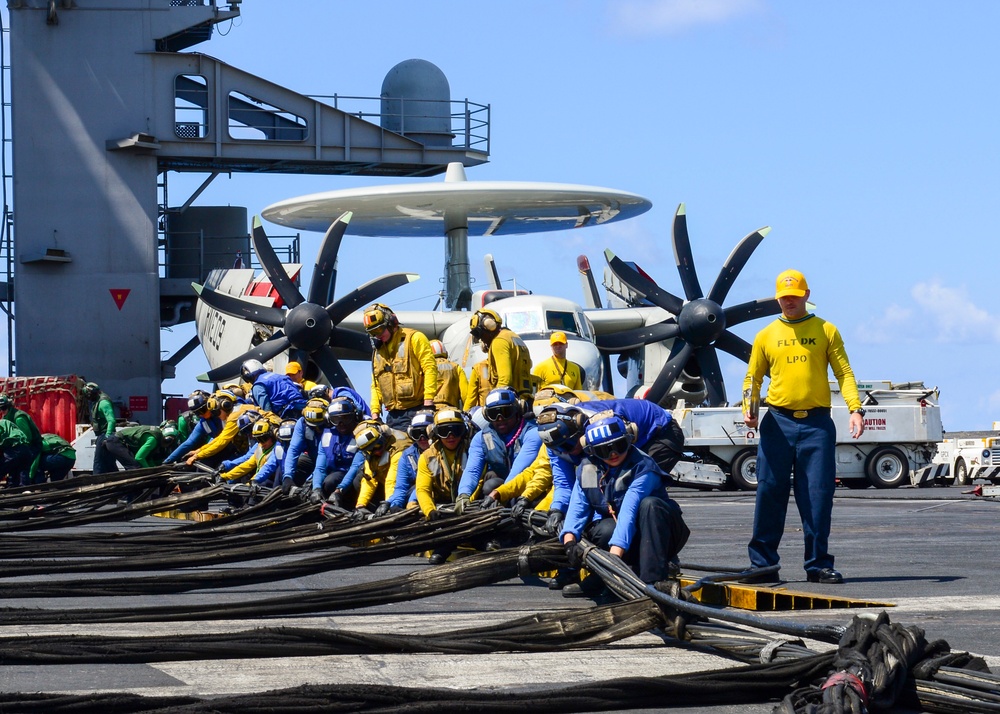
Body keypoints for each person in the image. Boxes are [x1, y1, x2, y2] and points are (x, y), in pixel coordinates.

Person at [741, 269, 866, 586]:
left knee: (818, 496)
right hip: (778, 424)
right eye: (784, 297)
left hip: (817, 426)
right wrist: (749, 408)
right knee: (769, 492)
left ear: (806, 295)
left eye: (795, 296)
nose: (789, 302)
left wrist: (855, 409)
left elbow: (845, 374)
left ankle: (818, 565)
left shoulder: (826, 330)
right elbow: (753, 378)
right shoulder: (766, 335)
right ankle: (763, 563)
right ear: (777, 298)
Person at [560, 413, 690, 596]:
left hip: (659, 535)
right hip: (623, 536)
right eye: (605, 450)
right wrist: (569, 541)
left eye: (618, 446)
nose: (613, 454)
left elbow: (630, 508)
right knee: (604, 529)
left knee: (650, 504)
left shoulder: (643, 466)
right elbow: (577, 507)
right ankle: (600, 579)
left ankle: (652, 582)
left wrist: (612, 564)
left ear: (629, 440)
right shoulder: (587, 469)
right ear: (593, 451)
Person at [455, 387, 541, 513]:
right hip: (502, 484)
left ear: (518, 410)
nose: (500, 418)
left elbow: (519, 469)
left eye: (506, 412)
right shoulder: (481, 438)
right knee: (489, 484)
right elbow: (472, 470)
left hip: (529, 485)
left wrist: (500, 494)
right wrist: (463, 494)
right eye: (494, 414)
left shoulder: (532, 433)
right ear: (486, 415)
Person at [363, 303, 438, 431]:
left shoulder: (414, 338)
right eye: (373, 332)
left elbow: (430, 368)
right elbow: (376, 384)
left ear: (391, 322)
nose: (378, 335)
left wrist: (428, 402)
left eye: (379, 330)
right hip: (392, 416)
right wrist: (375, 412)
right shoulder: (378, 352)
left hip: (417, 410)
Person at [416, 408, 472, 564]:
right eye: (444, 431)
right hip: (443, 508)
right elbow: (422, 489)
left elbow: (478, 479)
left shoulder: (471, 449)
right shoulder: (428, 457)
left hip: (470, 504)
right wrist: (430, 511)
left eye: (456, 430)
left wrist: (465, 502)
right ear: (435, 433)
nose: (451, 436)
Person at [339, 418, 405, 517]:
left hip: (406, 486)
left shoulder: (398, 448)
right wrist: (360, 506)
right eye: (370, 449)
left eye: (377, 446)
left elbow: (392, 480)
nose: (376, 452)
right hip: (386, 484)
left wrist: (388, 503)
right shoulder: (370, 454)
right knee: (359, 480)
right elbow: (369, 479)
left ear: (383, 437)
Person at [184, 388, 263, 468]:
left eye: (216, 412)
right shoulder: (235, 412)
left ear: (225, 405)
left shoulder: (234, 416)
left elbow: (222, 442)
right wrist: (199, 451)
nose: (216, 415)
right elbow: (220, 438)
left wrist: (197, 456)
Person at [469, 308, 535, 401]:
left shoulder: (499, 342)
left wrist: (495, 400)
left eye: (479, 333)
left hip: (511, 402)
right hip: (526, 399)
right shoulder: (514, 337)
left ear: (489, 326)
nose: (480, 339)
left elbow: (505, 380)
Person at [310, 397, 366, 505]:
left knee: (332, 481)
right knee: (323, 483)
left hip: (352, 476)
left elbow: (355, 467)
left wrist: (339, 490)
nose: (341, 424)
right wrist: (316, 488)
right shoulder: (327, 435)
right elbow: (320, 467)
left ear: (355, 416)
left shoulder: (361, 434)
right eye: (336, 420)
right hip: (335, 472)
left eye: (345, 418)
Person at [380, 410, 436, 515]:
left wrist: (412, 500)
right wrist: (394, 504)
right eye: (417, 434)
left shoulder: (437, 452)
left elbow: (433, 481)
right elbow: (401, 487)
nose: (422, 438)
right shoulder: (407, 455)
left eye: (425, 433)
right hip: (416, 495)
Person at [281, 397, 329, 496]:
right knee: (299, 464)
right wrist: (287, 476)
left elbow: (323, 458)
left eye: (318, 425)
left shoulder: (331, 426)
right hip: (312, 458)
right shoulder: (302, 423)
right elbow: (294, 449)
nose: (316, 428)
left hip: (329, 461)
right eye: (312, 426)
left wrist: (311, 479)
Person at [163, 391, 225, 464]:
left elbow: (222, 438)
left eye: (203, 410)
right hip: (219, 447)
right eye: (197, 413)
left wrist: (198, 453)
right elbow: (189, 443)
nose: (201, 415)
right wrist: (168, 461)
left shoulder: (224, 414)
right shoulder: (203, 423)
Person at [241, 359, 307, 419]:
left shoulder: (258, 385)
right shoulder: (278, 375)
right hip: (303, 406)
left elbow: (267, 410)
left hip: (287, 413)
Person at [0, 395, 43, 486]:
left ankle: (24, 486)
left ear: (9, 406)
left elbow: (27, 438)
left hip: (30, 445)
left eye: (3, 408)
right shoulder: (6, 418)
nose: (2, 411)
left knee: (20, 465)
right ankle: (14, 486)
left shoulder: (19, 418)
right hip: (18, 446)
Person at [105, 424, 177, 470]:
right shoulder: (153, 440)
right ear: (168, 441)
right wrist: (150, 472)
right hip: (116, 442)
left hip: (115, 441)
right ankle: (133, 493)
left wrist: (155, 469)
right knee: (135, 467)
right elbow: (139, 458)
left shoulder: (156, 437)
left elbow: (148, 458)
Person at [84, 382, 117, 475]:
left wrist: (107, 437)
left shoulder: (103, 403)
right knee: (109, 464)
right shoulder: (98, 402)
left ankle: (96, 484)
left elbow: (111, 420)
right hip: (105, 435)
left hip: (105, 435)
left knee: (99, 463)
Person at [429, 339, 467, 409]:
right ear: (445, 352)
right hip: (451, 410)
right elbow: (465, 394)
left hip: (431, 410)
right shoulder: (456, 367)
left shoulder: (425, 369)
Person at [0, 418, 33, 488]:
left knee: (2, 467)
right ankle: (24, 491)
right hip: (26, 449)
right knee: (20, 472)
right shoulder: (8, 424)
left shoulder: (1, 424)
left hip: (15, 448)